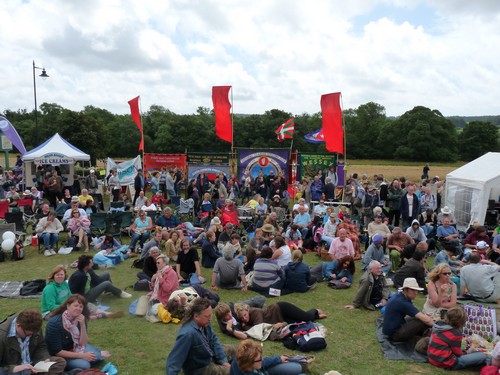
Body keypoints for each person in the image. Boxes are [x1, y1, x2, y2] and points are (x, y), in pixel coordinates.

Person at [166, 298, 232, 375]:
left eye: (210, 315)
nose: (210, 319)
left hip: (209, 354)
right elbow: (174, 361)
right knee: (233, 372)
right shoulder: (187, 334)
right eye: (207, 316)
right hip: (201, 368)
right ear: (196, 316)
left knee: (239, 350)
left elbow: (214, 340)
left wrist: (223, 361)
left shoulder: (205, 322)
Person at [45, 294, 110, 371]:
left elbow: (83, 343)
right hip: (61, 355)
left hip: (76, 347)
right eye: (75, 306)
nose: (78, 308)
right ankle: (84, 360)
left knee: (97, 356)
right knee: (85, 365)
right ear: (68, 305)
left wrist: (82, 325)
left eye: (81, 307)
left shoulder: (81, 318)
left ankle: (95, 354)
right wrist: (82, 355)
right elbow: (57, 351)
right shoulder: (54, 324)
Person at [0, 308, 66, 375]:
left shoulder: (34, 326)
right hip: (14, 369)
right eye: (28, 334)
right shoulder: (2, 336)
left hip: (32, 366)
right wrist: (14, 369)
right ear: (18, 326)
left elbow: (41, 346)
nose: (31, 336)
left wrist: (44, 358)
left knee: (59, 362)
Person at [382, 277, 434, 342]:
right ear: (406, 290)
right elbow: (425, 319)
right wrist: (437, 325)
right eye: (413, 290)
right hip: (394, 334)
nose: (416, 293)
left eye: (416, 290)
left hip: (390, 328)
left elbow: (416, 314)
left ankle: (427, 333)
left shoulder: (400, 296)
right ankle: (431, 335)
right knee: (421, 321)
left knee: (420, 318)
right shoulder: (402, 302)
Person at [234, 301, 326, 331]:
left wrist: (246, 327)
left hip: (282, 308)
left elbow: (260, 328)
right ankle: (317, 316)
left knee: (306, 317)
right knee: (299, 323)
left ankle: (315, 311)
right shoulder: (245, 318)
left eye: (245, 315)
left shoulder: (254, 312)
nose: (244, 318)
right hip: (279, 317)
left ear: (247, 310)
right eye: (242, 318)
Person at [230, 339, 303, 375]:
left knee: (297, 367)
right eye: (259, 359)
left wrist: (279, 359)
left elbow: (264, 362)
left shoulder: (241, 359)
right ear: (249, 363)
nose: (262, 359)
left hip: (263, 370)